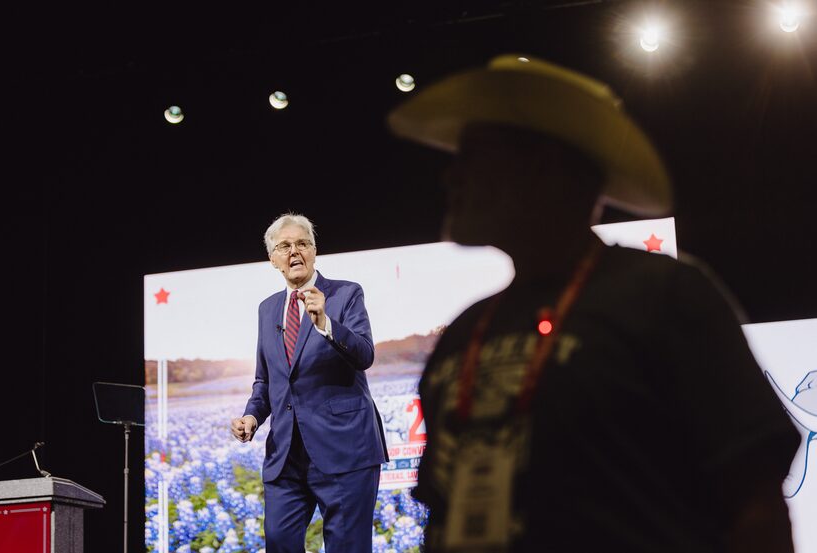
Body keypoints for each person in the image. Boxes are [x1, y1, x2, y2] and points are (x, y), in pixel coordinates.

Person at [387, 55, 800, 552]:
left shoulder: (666, 298)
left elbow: (756, 506)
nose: (450, 179)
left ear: (546, 171)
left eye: (473, 156)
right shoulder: (466, 333)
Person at [230, 213, 388, 553]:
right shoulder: (267, 309)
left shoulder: (345, 294)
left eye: (302, 243)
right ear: (273, 259)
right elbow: (266, 381)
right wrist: (252, 417)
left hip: (345, 450)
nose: (294, 252)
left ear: (314, 251)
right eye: (284, 246)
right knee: (279, 543)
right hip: (287, 455)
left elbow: (364, 355)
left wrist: (326, 323)